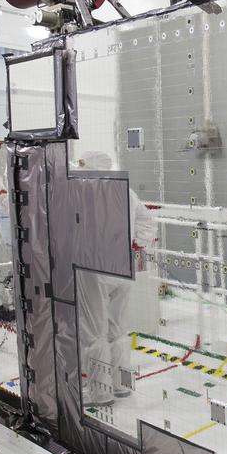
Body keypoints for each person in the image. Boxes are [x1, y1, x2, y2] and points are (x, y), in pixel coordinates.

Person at [74, 151, 156, 407]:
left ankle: (100, 393)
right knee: (117, 330)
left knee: (93, 334)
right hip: (123, 267)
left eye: (82, 164)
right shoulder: (125, 191)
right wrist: (135, 244)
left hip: (94, 270)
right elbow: (148, 221)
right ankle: (121, 385)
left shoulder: (85, 193)